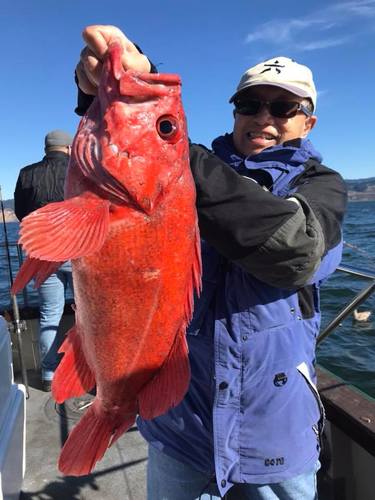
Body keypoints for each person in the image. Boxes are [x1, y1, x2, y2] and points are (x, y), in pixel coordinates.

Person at [75, 26, 347, 500]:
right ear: (234, 111)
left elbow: (295, 250)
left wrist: (169, 148)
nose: (264, 117)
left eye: (284, 108)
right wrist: (111, 98)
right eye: (250, 104)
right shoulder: (188, 169)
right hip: (181, 425)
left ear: (309, 123)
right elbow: (124, 176)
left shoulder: (323, 187)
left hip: (274, 438)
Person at [14, 130, 74, 392]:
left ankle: (49, 373)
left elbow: (21, 212)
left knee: (50, 314)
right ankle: (89, 371)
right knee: (89, 316)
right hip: (78, 252)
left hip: (42, 254)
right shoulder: (77, 170)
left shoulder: (26, 173)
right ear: (68, 148)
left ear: (46, 148)